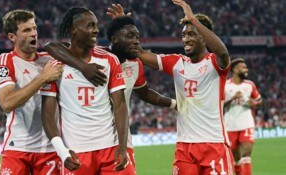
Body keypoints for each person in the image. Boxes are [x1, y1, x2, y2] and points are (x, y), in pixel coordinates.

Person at [108, 0, 234, 174]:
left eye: (191, 34)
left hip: (214, 143)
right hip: (185, 146)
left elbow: (223, 52)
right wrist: (123, 25)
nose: (186, 39)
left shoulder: (215, 63)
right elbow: (141, 53)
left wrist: (193, 19)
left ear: (204, 37)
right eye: (184, 35)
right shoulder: (177, 63)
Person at [44, 15, 177, 173]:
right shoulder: (100, 57)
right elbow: (53, 46)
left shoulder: (135, 66)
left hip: (120, 142)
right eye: (130, 36)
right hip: (84, 143)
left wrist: (174, 103)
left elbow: (145, 93)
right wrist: (82, 67)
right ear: (114, 39)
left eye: (137, 37)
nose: (136, 41)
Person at [40, 7, 133, 175]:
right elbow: (47, 116)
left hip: (110, 147)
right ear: (73, 30)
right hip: (76, 151)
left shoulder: (109, 60)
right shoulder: (55, 67)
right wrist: (62, 151)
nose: (96, 30)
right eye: (90, 25)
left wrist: (122, 145)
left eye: (96, 25)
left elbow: (120, 105)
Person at [0, 9, 63, 175]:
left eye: (34, 28)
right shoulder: (5, 62)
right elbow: (7, 103)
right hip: (17, 148)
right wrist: (42, 78)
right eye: (26, 30)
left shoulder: (50, 60)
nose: (33, 34)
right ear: (12, 37)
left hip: (49, 149)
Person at [224, 58, 262, 175]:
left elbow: (259, 100)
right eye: (243, 67)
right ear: (235, 69)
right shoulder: (225, 85)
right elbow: (219, 105)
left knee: (246, 154)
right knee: (236, 158)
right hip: (230, 125)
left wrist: (254, 103)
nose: (246, 69)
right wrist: (232, 98)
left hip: (246, 123)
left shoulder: (250, 85)